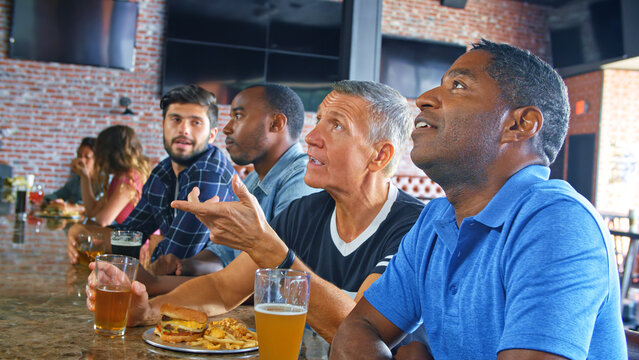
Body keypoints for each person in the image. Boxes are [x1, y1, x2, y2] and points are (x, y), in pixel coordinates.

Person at [330, 39, 626, 359]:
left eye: (458, 85)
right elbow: (357, 328)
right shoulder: (436, 219)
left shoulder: (557, 222)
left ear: (519, 124)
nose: (425, 99)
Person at [85, 80, 425, 343]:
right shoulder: (304, 212)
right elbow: (222, 289)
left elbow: (360, 334)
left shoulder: (415, 226)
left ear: (379, 156)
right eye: (318, 120)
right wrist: (148, 311)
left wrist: (267, 247)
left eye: (336, 125)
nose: (311, 136)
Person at [67, 85, 239, 291]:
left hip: (219, 298)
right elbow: (130, 234)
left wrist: (154, 252)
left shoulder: (209, 173)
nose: (184, 129)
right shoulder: (163, 170)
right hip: (175, 291)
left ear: (212, 135)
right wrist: (83, 232)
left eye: (195, 122)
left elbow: (175, 260)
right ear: (163, 125)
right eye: (175, 119)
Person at [150, 83, 319, 276]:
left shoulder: (302, 179)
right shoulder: (253, 179)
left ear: (276, 123)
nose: (227, 129)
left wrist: (154, 283)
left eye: (238, 116)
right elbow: (225, 254)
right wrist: (185, 266)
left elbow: (279, 273)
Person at [75, 125, 150, 226]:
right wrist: (85, 177)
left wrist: (78, 229)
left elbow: (103, 221)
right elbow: (91, 211)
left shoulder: (130, 178)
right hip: (128, 239)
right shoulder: (118, 177)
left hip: (141, 240)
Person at [44, 137, 96, 206]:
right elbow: (57, 195)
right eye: (79, 155)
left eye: (87, 157)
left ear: (97, 160)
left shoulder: (105, 181)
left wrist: (71, 207)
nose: (81, 160)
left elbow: (96, 207)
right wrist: (46, 200)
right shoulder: (77, 179)